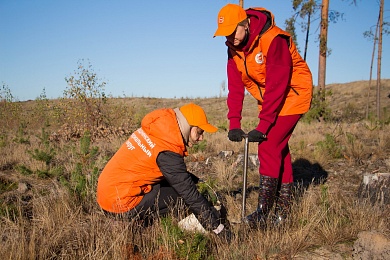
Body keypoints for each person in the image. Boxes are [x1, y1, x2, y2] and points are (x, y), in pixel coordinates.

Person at [213, 4, 313, 227]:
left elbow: (278, 83)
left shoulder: (273, 39)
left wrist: (265, 123)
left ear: (246, 24)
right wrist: (234, 123)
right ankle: (283, 212)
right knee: (279, 148)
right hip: (271, 98)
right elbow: (236, 86)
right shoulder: (233, 47)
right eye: (225, 33)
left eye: (232, 31)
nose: (229, 38)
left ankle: (264, 213)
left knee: (268, 145)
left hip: (293, 93)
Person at [97, 103, 230, 238]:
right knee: (182, 197)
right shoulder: (168, 149)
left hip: (107, 193)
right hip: (119, 204)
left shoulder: (159, 128)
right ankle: (154, 228)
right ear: (188, 126)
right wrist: (218, 228)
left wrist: (193, 179)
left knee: (178, 186)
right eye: (199, 132)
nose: (201, 138)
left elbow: (171, 172)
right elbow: (189, 194)